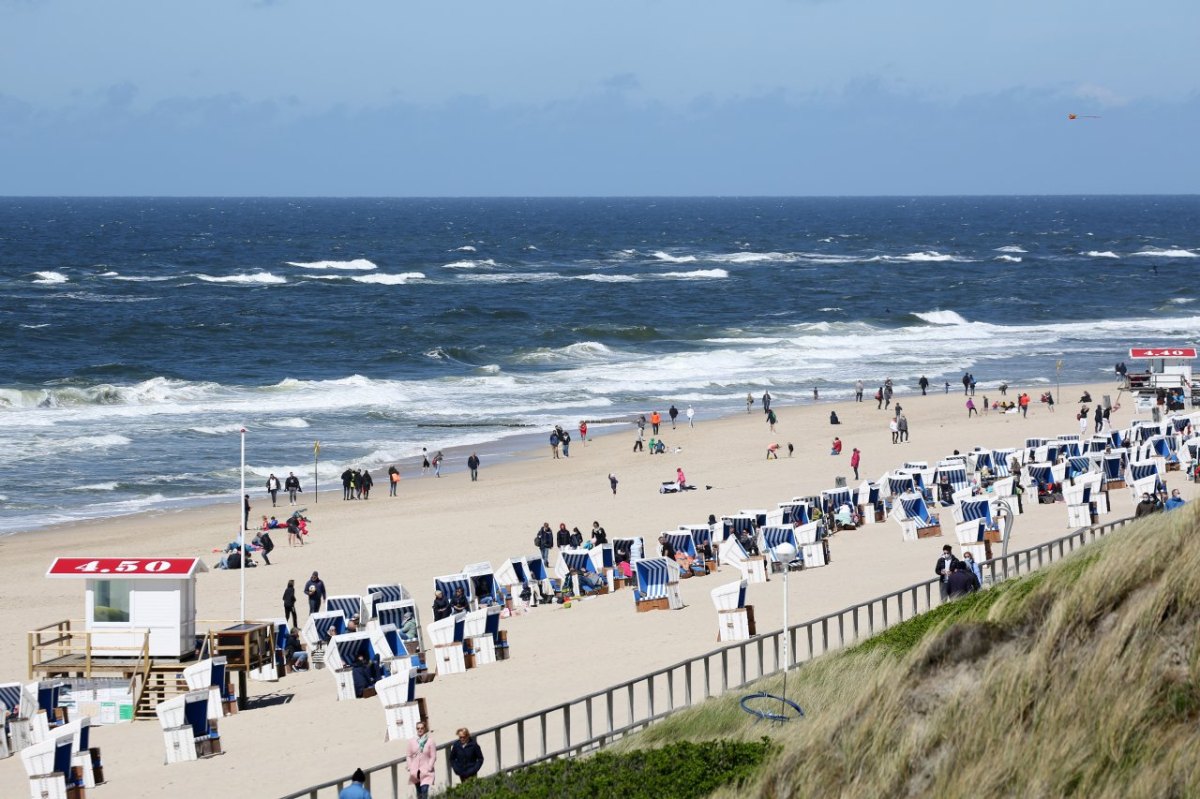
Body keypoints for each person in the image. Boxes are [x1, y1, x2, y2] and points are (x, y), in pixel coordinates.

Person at [407, 721, 436, 799]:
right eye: (418, 728)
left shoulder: (430, 741)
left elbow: (433, 756)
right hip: (415, 771)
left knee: (424, 790)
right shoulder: (411, 741)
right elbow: (408, 756)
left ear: (425, 728)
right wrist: (410, 766)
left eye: (421, 728)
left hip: (426, 770)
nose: (420, 730)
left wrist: (430, 766)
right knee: (419, 792)